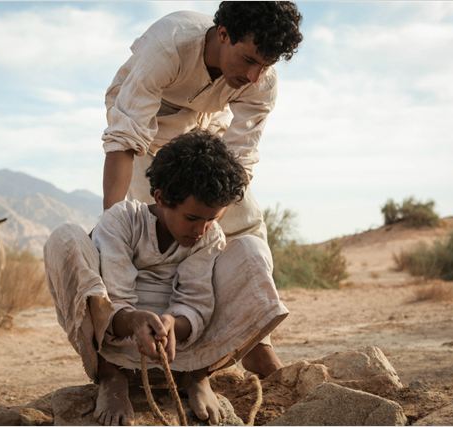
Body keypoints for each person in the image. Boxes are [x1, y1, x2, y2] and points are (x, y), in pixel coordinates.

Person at [101, 1, 303, 378]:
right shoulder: (168, 46)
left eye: (266, 65)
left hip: (205, 134)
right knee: (155, 236)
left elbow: (240, 160)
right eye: (248, 60)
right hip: (147, 140)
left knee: (247, 224)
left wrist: (213, 218)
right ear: (222, 34)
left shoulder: (262, 80)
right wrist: (113, 219)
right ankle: (140, 352)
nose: (255, 75)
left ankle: (256, 346)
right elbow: (124, 138)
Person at [44, 131, 288, 426]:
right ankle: (112, 377)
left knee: (252, 249)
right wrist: (134, 321)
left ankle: (197, 376)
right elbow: (114, 297)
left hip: (184, 346)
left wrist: (175, 324)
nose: (201, 229)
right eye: (192, 218)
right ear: (160, 198)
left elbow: (196, 301)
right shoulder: (122, 220)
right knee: (65, 238)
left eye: (212, 219)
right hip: (120, 337)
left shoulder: (209, 236)